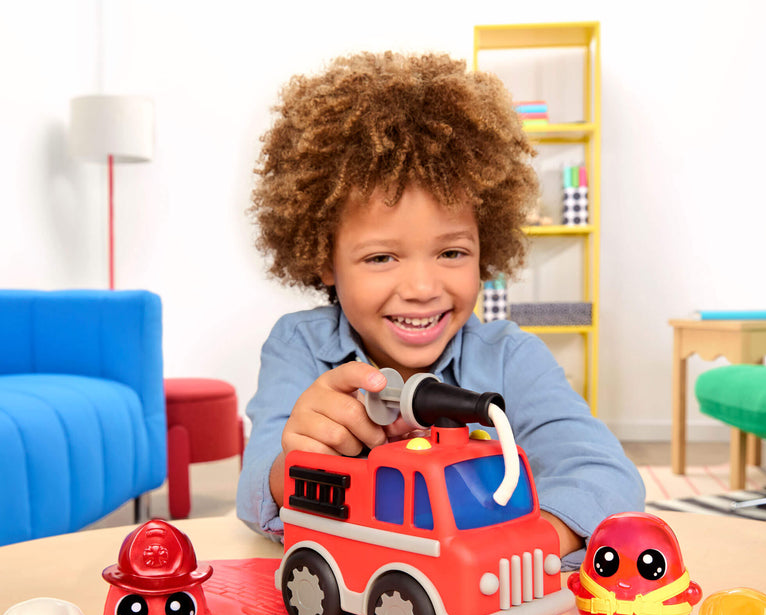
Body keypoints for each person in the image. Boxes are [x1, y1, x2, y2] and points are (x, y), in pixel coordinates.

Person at [236, 51, 645, 570]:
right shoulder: (300, 348)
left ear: (485, 247)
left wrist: (509, 553)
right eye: (381, 257)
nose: (423, 287)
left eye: (452, 252)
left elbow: (607, 476)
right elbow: (254, 493)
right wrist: (293, 465)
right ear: (325, 260)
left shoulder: (511, 359)